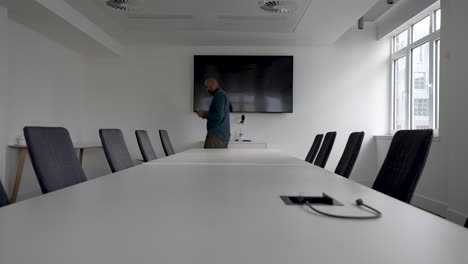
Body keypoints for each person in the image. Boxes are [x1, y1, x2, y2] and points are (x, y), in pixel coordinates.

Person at [196, 77, 231, 148]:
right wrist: (205, 113)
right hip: (221, 135)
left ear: (212, 85)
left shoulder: (219, 95)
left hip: (216, 135)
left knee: (208, 158)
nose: (206, 90)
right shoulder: (222, 94)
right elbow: (219, 113)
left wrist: (204, 114)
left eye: (206, 87)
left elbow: (219, 115)